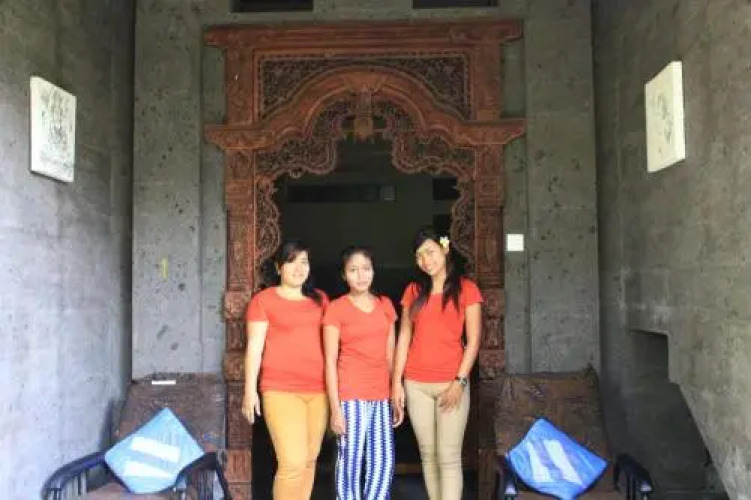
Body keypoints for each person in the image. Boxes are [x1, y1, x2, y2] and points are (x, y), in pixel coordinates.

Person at [391, 227, 483, 500]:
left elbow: (474, 340)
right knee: (428, 455)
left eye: (430, 252)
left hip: (451, 382)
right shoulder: (413, 291)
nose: (425, 260)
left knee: (449, 456)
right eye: (419, 256)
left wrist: (460, 382)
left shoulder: (467, 289)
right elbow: (404, 337)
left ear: (445, 249)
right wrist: (396, 383)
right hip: (416, 383)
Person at [242, 240, 328, 500]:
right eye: (292, 261)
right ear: (279, 267)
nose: (299, 268)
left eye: (304, 262)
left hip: (319, 391)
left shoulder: (320, 300)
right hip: (280, 390)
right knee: (292, 462)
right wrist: (249, 391)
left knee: (309, 460)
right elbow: (254, 348)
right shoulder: (263, 300)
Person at [323, 246, 397, 500]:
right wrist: (335, 409)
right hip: (350, 394)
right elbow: (330, 361)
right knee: (350, 460)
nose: (361, 275)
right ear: (344, 275)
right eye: (353, 270)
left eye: (366, 269)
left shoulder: (385, 305)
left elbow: (390, 356)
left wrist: (395, 393)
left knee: (383, 459)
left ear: (374, 271)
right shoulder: (336, 308)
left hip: (381, 393)